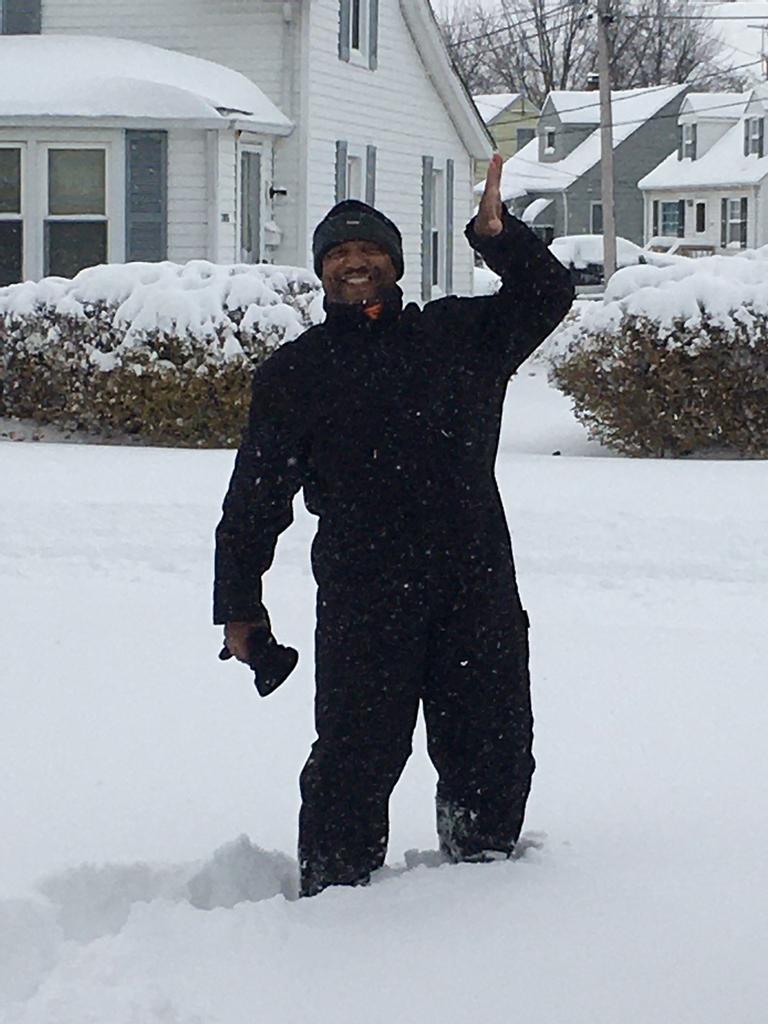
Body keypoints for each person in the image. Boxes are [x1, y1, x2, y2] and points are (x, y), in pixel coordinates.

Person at [214, 154, 574, 897]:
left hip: (473, 583)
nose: (355, 262)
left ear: (395, 263)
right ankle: (337, 896)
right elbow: (254, 499)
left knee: (492, 748)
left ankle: (491, 889)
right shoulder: (295, 373)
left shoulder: (459, 337)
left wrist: (496, 236)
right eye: (339, 252)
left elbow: (547, 293)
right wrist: (240, 609)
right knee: (355, 756)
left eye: (369, 249)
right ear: (321, 271)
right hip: (363, 593)